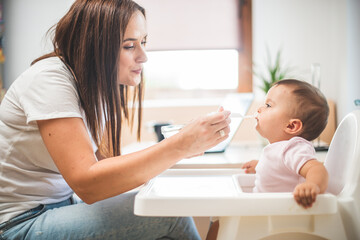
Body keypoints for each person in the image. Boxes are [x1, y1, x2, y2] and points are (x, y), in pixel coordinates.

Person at [0, 0, 231, 239]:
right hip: (19, 223)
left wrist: (179, 151)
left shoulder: (99, 89)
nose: (143, 57)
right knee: (169, 214)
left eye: (143, 42)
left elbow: (108, 171)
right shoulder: (50, 80)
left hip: (62, 207)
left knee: (166, 201)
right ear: (93, 46)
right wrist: (179, 146)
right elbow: (88, 184)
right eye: (129, 46)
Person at [206, 79, 329, 240]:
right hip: (266, 213)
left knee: (219, 225)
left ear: (291, 126)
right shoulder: (280, 148)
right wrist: (259, 166)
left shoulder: (293, 147)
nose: (260, 109)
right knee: (218, 224)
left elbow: (316, 168)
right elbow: (281, 169)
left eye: (269, 105)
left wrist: (312, 185)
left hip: (277, 221)